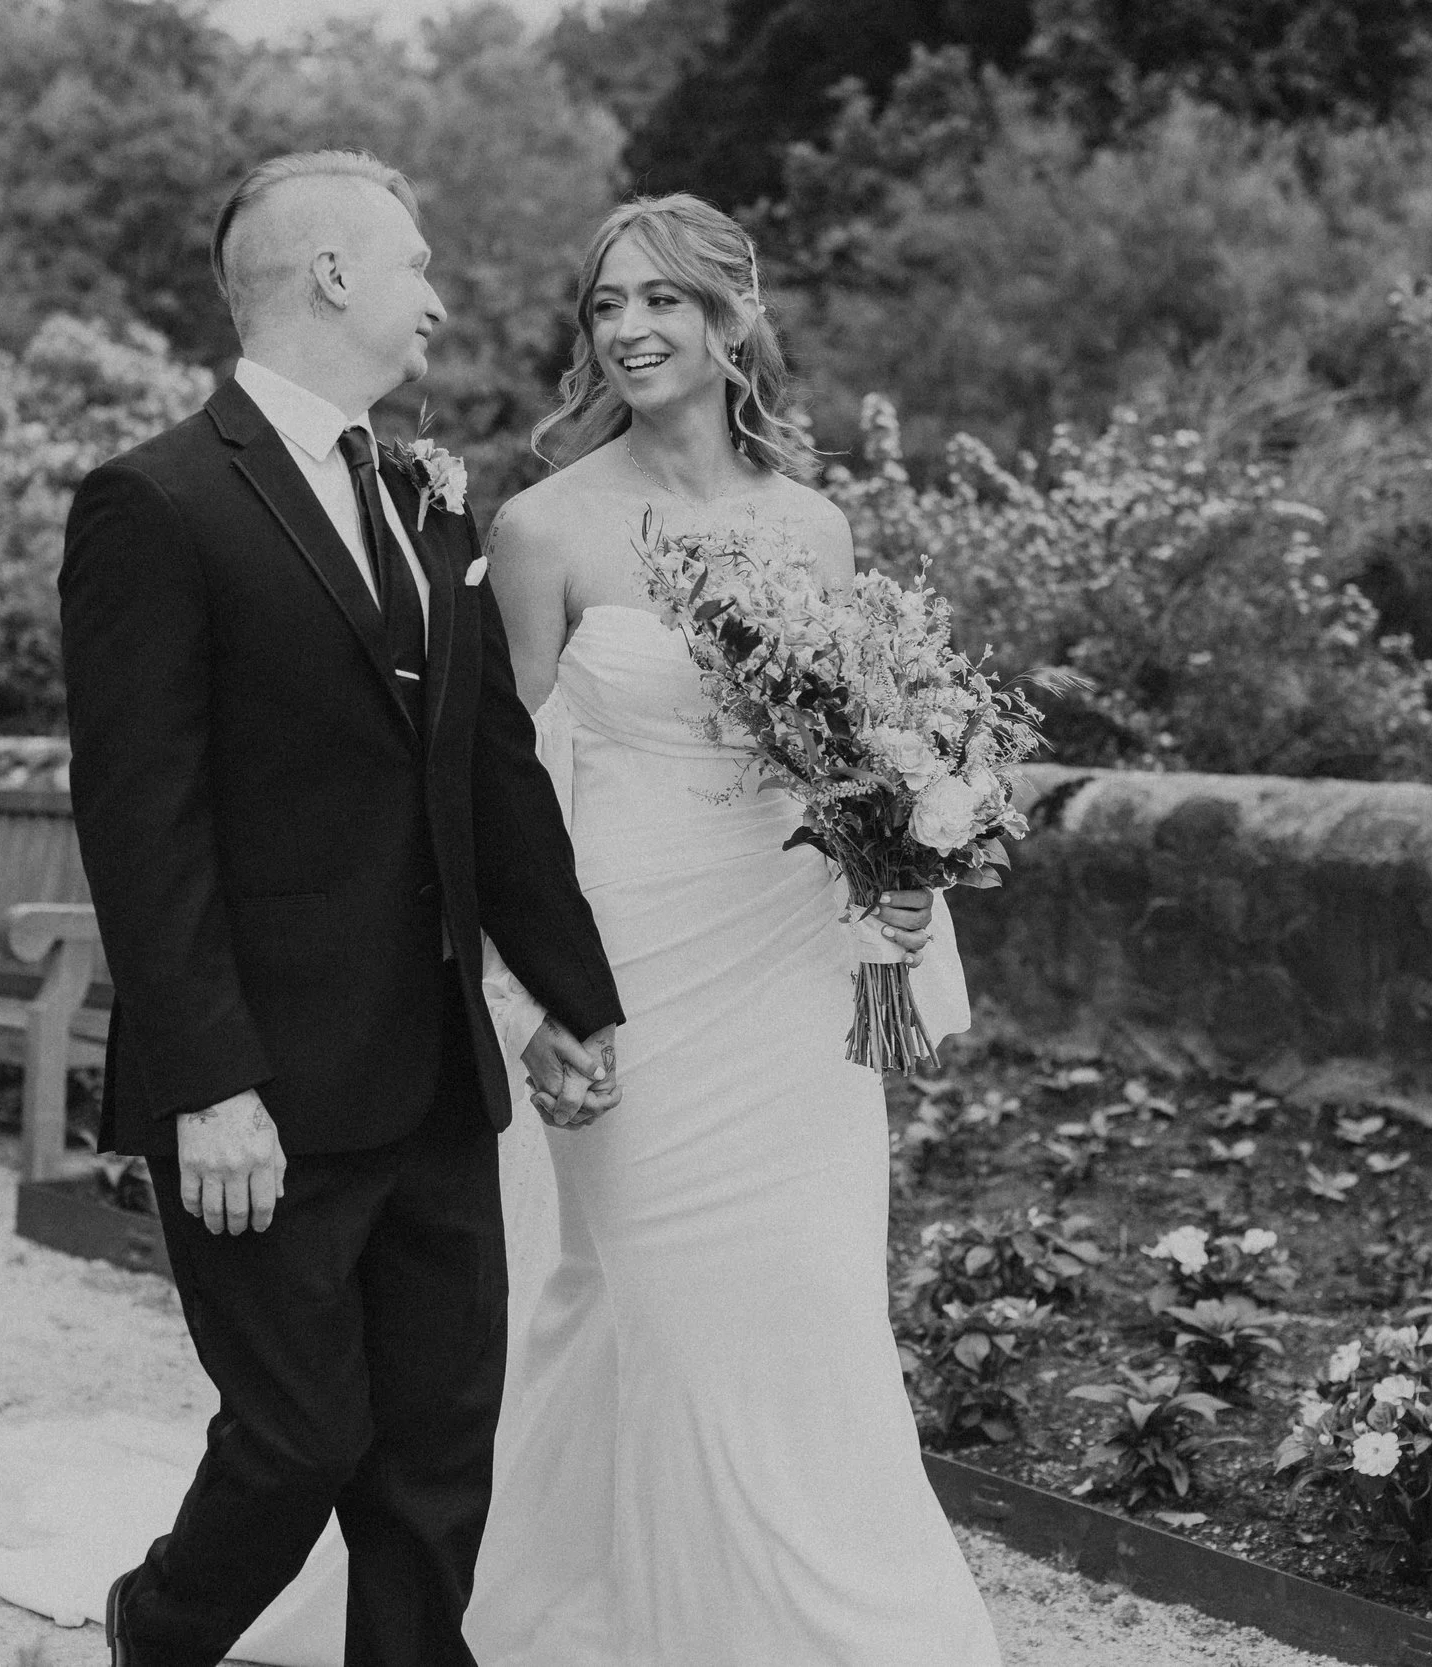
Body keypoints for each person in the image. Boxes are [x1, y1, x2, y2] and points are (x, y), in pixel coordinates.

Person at [58, 149, 624, 1667]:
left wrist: (575, 993)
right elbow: (141, 825)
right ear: (330, 276)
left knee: (435, 1457)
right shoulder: (154, 504)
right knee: (302, 1438)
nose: (439, 294)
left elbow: (485, 771)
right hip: (267, 1092)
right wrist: (208, 1084)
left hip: (436, 1074)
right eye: (419, 264)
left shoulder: (424, 500)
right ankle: (157, 1627)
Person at [461, 191, 1002, 1665]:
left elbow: (855, 759)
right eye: (604, 308)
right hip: (627, 965)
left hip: (786, 975)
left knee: (812, 1295)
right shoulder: (541, 527)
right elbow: (500, 797)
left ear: (730, 320)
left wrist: (904, 870)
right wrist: (531, 1003)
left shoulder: (810, 524)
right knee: (652, 1297)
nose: (628, 329)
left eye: (659, 302)